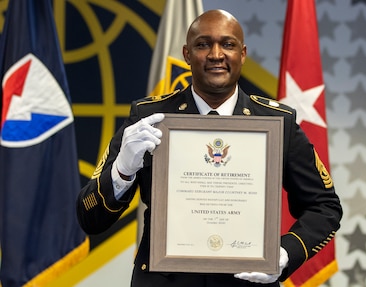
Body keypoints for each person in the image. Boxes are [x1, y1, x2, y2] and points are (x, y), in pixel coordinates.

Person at [77, 9, 342, 287]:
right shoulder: (150, 119)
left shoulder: (275, 123)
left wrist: (287, 252)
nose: (216, 54)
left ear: (243, 53)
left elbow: (324, 207)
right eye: (203, 44)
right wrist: (122, 172)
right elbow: (89, 218)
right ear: (187, 54)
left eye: (228, 44)